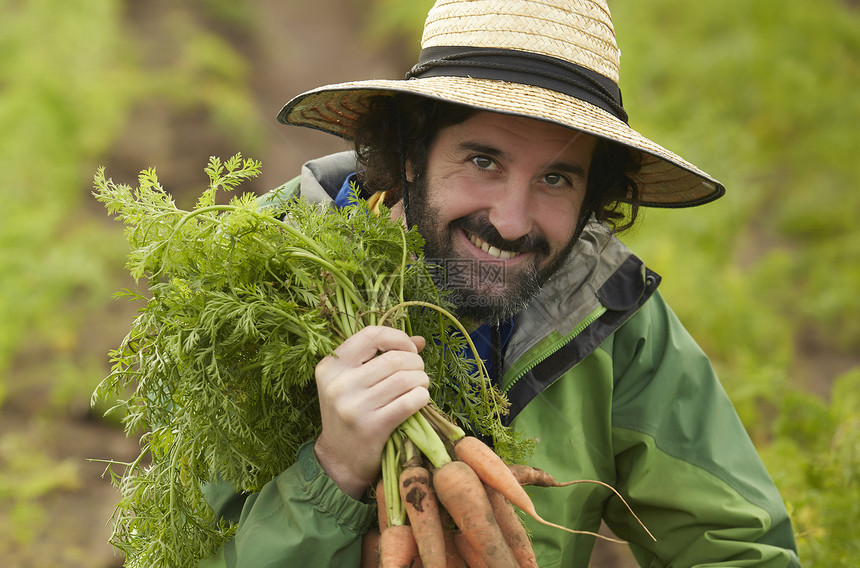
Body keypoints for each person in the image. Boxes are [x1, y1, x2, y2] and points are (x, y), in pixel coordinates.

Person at [200, 1, 800, 566]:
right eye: (484, 162)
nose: (512, 221)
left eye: (557, 179)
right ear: (411, 153)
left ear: (593, 195)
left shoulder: (609, 310)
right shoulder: (255, 291)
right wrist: (332, 471)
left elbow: (738, 546)